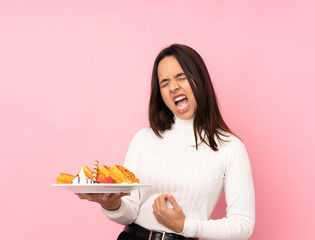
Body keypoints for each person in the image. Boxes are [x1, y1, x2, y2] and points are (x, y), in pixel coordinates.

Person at [76, 44, 255, 240]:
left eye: (181, 77)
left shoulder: (230, 147)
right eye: (164, 82)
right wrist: (111, 205)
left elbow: (243, 225)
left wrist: (185, 226)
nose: (173, 87)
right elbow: (131, 210)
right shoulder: (143, 139)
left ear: (200, 80)